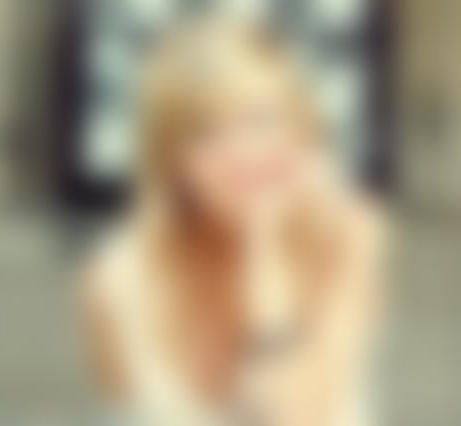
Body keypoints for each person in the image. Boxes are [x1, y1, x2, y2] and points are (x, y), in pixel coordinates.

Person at [81, 19, 386, 426]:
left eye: (261, 119)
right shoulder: (122, 278)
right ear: (171, 160)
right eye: (207, 134)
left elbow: (297, 416)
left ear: (301, 127)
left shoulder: (346, 236)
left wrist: (265, 255)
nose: (243, 152)